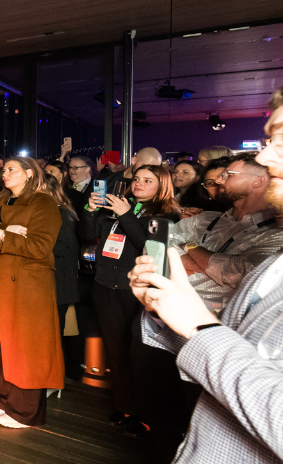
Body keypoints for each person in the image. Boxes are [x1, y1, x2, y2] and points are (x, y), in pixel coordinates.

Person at [125, 95, 283, 462]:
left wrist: (200, 329)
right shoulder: (207, 217)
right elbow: (163, 243)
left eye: (278, 139)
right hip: (159, 332)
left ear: (258, 183)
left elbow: (233, 272)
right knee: (161, 416)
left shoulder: (272, 236)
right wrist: (193, 259)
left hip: (199, 347)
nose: (264, 155)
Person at [80, 164, 180, 435]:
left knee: (141, 354)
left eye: (148, 180)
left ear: (162, 186)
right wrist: (90, 210)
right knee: (116, 350)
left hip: (136, 290)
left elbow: (148, 246)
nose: (139, 184)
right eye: (137, 178)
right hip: (105, 285)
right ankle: (125, 405)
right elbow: (88, 234)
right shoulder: (122, 205)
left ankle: (146, 412)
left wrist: (125, 216)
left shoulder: (167, 214)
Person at [0, 157, 64, 428]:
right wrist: (5, 231)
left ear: (28, 174)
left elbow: (39, 247)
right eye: (4, 169)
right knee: (2, 344)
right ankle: (7, 403)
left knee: (26, 349)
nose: (4, 173)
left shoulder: (43, 202)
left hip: (28, 286)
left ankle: (26, 413)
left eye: (11, 169)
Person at [172, 153, 283, 313]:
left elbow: (242, 273)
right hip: (158, 323)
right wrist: (210, 270)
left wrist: (188, 246)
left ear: (258, 180)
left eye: (228, 175)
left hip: (214, 329)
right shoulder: (202, 218)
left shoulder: (275, 232)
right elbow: (157, 246)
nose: (218, 181)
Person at [41, 173, 81, 371]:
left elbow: (63, 247)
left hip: (60, 283)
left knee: (55, 334)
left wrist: (33, 242)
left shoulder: (64, 212)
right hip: (48, 281)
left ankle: (56, 376)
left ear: (49, 191)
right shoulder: (45, 212)